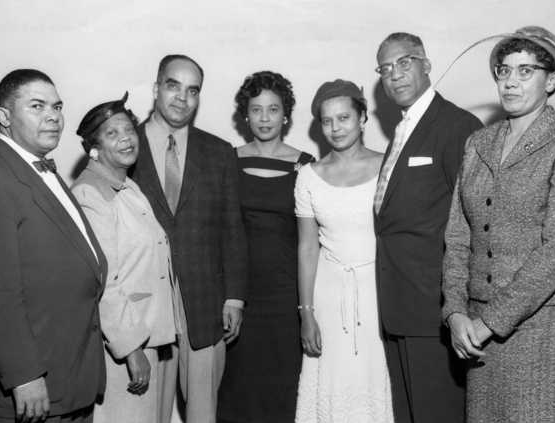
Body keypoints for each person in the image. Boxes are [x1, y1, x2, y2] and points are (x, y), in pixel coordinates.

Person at [442, 26, 555, 422]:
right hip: (475, 334)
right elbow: (457, 237)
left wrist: (490, 321)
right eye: (503, 71)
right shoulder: (479, 143)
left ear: (551, 79)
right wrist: (455, 312)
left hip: (540, 328)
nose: (510, 81)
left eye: (525, 71)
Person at [0, 69, 107, 422]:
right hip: (28, 391)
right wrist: (23, 375)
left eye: (57, 107)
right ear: (4, 116)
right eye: (37, 106)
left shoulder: (42, 172)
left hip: (68, 382)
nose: (53, 116)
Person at [131, 54, 248, 423]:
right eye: (173, 85)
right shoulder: (123, 144)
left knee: (202, 414)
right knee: (146, 413)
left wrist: (234, 297)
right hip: (145, 307)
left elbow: (233, 227)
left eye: (192, 90)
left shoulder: (219, 152)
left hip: (205, 304)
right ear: (155, 89)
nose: (182, 98)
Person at [373, 32, 483, 423]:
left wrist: (460, 306)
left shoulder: (456, 125)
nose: (394, 75)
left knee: (438, 413)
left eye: (404, 63)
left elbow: (476, 221)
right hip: (398, 305)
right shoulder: (402, 130)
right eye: (385, 69)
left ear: (426, 64)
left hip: (436, 307)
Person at [71, 93, 180, 423]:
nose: (125, 139)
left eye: (128, 130)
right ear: (94, 148)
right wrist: (131, 348)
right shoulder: (91, 194)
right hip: (122, 340)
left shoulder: (126, 185)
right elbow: (104, 280)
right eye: (112, 133)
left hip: (145, 329)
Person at [294, 79, 394, 423]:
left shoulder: (388, 166)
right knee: (332, 385)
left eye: (344, 118)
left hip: (378, 291)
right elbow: (307, 247)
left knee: (375, 381)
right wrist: (306, 312)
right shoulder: (309, 176)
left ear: (362, 118)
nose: (335, 128)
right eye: (327, 121)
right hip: (328, 296)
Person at [218, 71, 314, 423]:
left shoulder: (306, 164)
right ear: (245, 114)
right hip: (238, 294)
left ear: (286, 114)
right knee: (236, 389)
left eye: (273, 110)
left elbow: (312, 240)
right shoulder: (228, 160)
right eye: (256, 110)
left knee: (283, 388)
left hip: (286, 295)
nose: (264, 118)